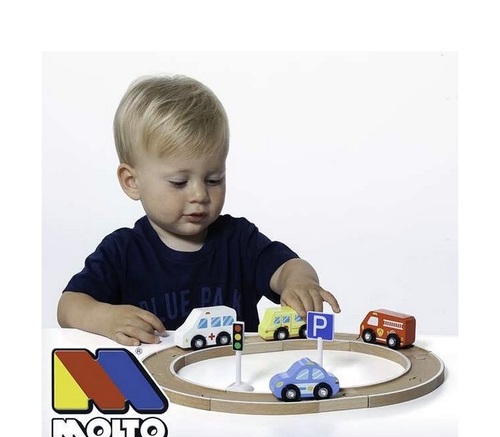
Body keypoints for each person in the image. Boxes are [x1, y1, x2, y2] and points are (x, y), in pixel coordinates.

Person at [57, 74, 340, 346]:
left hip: (232, 374)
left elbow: (289, 267)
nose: (200, 195)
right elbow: (68, 306)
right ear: (132, 181)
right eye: (179, 182)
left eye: (213, 179)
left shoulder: (239, 240)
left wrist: (300, 282)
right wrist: (105, 318)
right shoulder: (122, 251)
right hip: (152, 377)